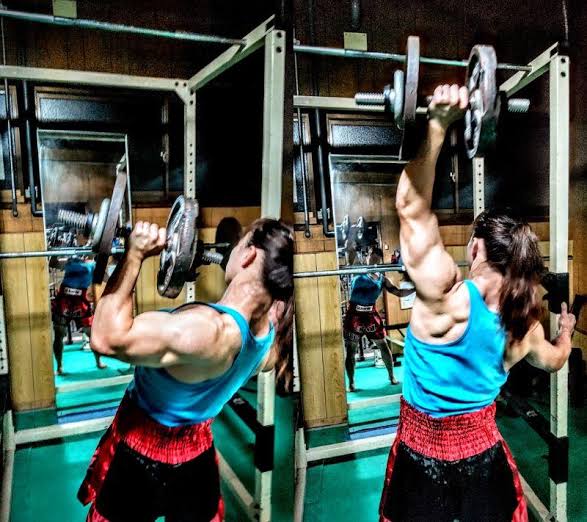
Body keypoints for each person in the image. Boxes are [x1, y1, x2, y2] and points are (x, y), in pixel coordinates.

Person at [379, 84, 576, 522]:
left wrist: (438, 125)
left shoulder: (445, 297)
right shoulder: (526, 326)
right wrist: (565, 330)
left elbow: (409, 207)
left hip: (420, 460)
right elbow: (555, 360)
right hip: (484, 460)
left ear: (474, 249)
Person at [78, 217, 294, 522]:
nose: (232, 249)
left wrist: (135, 254)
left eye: (240, 242)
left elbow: (104, 338)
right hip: (197, 455)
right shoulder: (270, 328)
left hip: (141, 457)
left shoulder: (207, 329)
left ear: (249, 255)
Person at [343, 246, 413, 391]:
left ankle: (391, 376)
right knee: (351, 350)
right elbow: (350, 251)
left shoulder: (382, 279)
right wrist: (351, 238)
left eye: (377, 256)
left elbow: (399, 292)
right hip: (354, 315)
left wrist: (415, 288)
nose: (373, 258)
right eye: (371, 255)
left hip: (371, 315)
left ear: (380, 260)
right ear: (367, 256)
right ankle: (351, 382)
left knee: (383, 345)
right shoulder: (359, 268)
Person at [51, 256, 106, 375]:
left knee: (91, 333)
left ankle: (98, 361)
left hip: (80, 301)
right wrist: (56, 252)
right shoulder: (70, 261)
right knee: (59, 334)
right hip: (64, 300)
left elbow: (104, 278)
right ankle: (59, 367)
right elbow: (53, 263)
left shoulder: (93, 265)